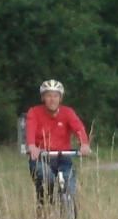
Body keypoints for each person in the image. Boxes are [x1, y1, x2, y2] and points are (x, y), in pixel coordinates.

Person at [24, 79, 92, 210]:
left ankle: (70, 217)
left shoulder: (68, 112)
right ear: (43, 98)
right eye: (48, 95)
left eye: (55, 96)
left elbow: (78, 128)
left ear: (60, 98)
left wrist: (84, 144)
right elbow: (30, 129)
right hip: (41, 157)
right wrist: (32, 146)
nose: (52, 99)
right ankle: (45, 210)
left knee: (69, 186)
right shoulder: (34, 112)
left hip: (63, 157)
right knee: (46, 179)